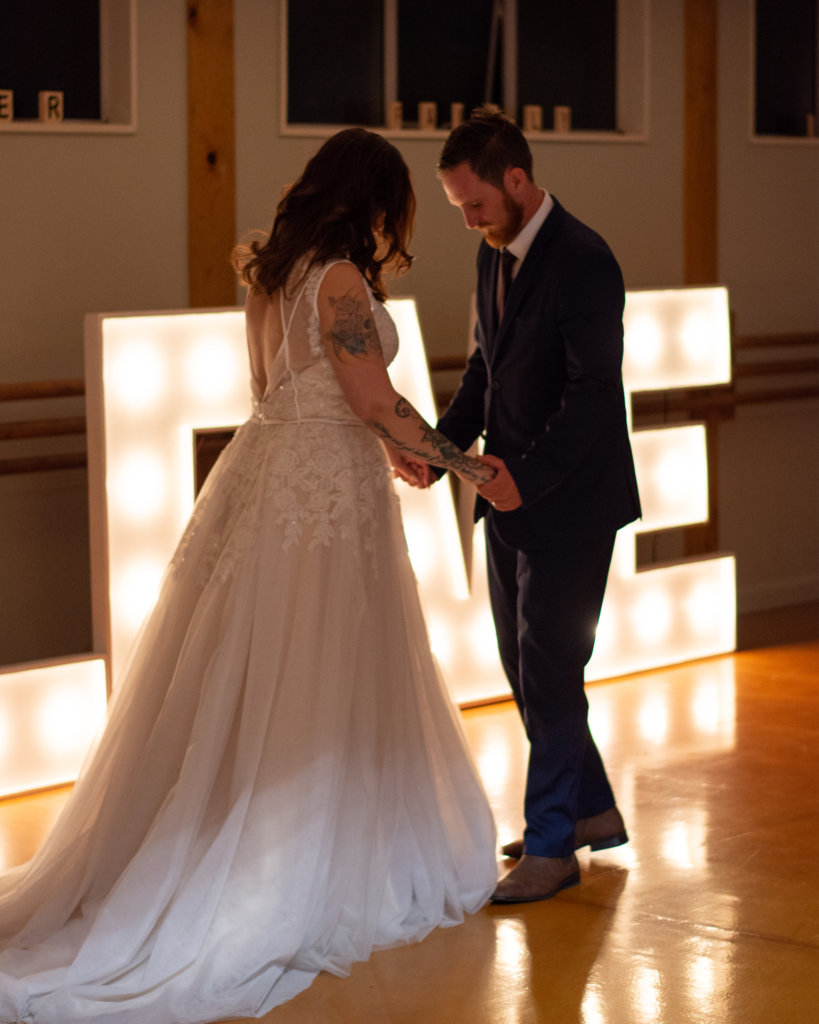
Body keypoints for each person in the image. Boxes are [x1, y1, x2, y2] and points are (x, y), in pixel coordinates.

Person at [0, 128, 498, 1024]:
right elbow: (369, 398)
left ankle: (238, 841)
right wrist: (465, 465)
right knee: (320, 666)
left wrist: (384, 450)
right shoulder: (339, 280)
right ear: (372, 200)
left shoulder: (272, 277)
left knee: (257, 664)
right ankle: (292, 862)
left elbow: (282, 391)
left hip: (267, 474)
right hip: (321, 498)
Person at [433, 107, 641, 904]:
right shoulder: (493, 256)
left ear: (516, 180)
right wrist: (444, 448)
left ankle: (552, 846)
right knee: (525, 668)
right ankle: (587, 809)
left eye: (475, 203)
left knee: (552, 669)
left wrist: (528, 472)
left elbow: (595, 394)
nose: (468, 219)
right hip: (504, 494)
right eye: (459, 207)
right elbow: (484, 369)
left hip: (572, 501)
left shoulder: (585, 260)